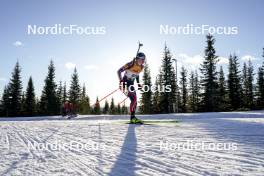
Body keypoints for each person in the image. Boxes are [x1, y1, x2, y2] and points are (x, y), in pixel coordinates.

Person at [117, 52, 145, 124]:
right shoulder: (130, 64)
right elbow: (119, 71)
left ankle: (133, 118)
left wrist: (138, 84)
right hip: (125, 83)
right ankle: (132, 118)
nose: (141, 61)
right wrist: (121, 80)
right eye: (140, 59)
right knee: (134, 99)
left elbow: (137, 75)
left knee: (135, 101)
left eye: (143, 60)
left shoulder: (141, 67)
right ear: (137, 59)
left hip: (131, 84)